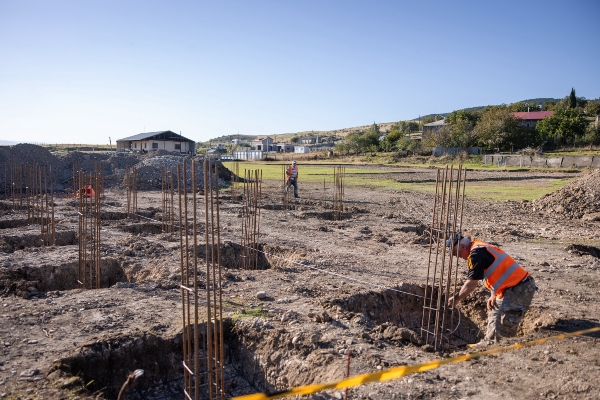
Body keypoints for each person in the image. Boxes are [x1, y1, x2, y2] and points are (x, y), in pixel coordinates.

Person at [446, 234, 537, 344]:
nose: (458, 257)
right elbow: (498, 270)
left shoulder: (476, 255)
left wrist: (456, 299)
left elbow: (472, 284)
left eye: (456, 253)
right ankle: (489, 343)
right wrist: (493, 293)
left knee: (503, 326)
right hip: (508, 288)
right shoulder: (478, 247)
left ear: (462, 247)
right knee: (493, 317)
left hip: (520, 288)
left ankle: (501, 348)